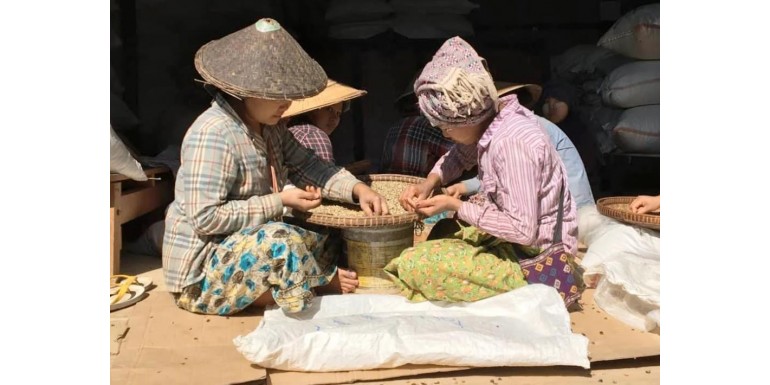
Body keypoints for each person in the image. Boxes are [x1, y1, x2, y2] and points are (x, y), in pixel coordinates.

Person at [163, 18, 390, 316]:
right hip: (203, 275)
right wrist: (279, 201)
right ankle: (307, 284)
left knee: (326, 235)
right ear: (246, 90)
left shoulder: (270, 128)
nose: (288, 104)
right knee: (281, 241)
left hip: (241, 247)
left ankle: (288, 285)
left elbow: (308, 165)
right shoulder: (214, 133)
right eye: (278, 96)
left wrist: (357, 189)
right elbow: (206, 218)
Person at [385, 36, 579, 303]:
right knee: (442, 233)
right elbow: (460, 155)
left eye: (445, 128)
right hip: (515, 243)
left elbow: (522, 231)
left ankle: (542, 291)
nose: (445, 134)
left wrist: (453, 205)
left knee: (413, 265)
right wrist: (430, 181)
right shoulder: (492, 123)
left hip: (538, 260)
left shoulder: (512, 144)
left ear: (467, 117)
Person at [284, 80, 370, 175]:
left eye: (338, 113)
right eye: (329, 109)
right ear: (313, 110)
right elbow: (325, 182)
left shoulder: (292, 131)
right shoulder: (314, 135)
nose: (334, 118)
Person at [379, 78, 454, 177]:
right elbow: (460, 154)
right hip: (414, 187)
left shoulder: (395, 126)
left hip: (390, 185)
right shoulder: (426, 125)